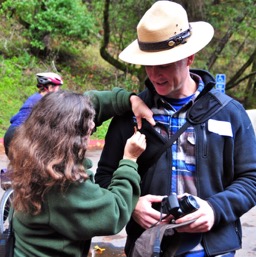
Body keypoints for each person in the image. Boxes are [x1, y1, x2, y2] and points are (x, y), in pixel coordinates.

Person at [95, 1, 256, 257]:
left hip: (212, 248)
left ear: (189, 57)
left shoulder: (229, 113)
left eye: (166, 64)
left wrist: (215, 209)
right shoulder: (130, 116)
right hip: (148, 246)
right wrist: (131, 204)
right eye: (149, 64)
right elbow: (104, 177)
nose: (155, 74)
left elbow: (251, 179)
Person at [8, 87, 155, 257]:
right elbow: (115, 212)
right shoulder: (62, 184)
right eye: (87, 128)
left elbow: (75, 110)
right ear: (69, 138)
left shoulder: (31, 152)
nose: (93, 125)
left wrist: (129, 100)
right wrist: (129, 160)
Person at [3, 72, 63, 156]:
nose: (59, 91)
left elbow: (13, 119)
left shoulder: (34, 97)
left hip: (10, 134)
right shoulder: (44, 102)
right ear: (50, 87)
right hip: (20, 137)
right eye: (58, 88)